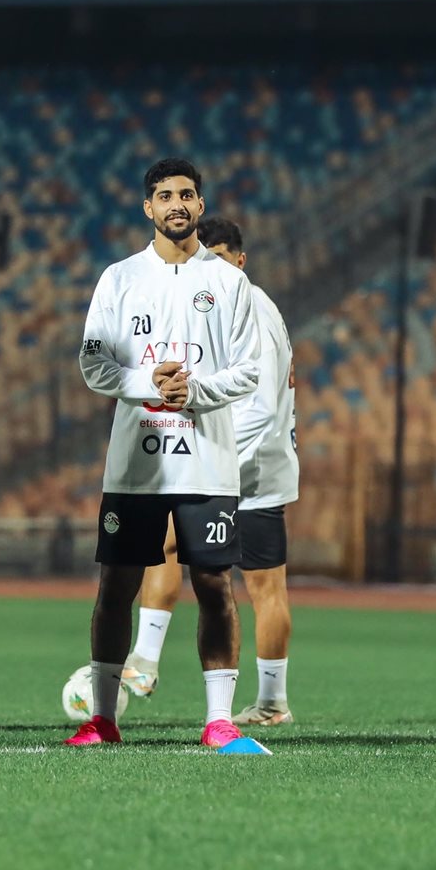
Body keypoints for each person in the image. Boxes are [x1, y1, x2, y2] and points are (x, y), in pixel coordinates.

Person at [67, 159, 262, 749]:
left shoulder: (229, 283)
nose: (176, 204)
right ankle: (103, 720)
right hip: (137, 467)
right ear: (147, 207)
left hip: (207, 463)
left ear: (200, 205)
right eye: (165, 195)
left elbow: (249, 370)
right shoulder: (119, 278)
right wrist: (148, 384)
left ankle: (219, 722)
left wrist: (193, 392)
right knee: (116, 586)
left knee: (214, 585)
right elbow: (93, 362)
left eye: (186, 194)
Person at [120, 216, 300, 726]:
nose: (211, 270)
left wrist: (214, 461)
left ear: (240, 261)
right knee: (167, 541)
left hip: (250, 469)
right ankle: (144, 662)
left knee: (263, 587)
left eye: (220, 260)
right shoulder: (221, 309)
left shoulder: (253, 310)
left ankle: (271, 702)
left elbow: (260, 408)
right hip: (224, 460)